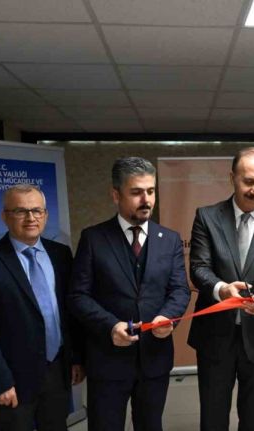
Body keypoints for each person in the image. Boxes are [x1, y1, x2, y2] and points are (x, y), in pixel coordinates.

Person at [69, 157, 189, 431]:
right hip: (107, 360)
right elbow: (78, 296)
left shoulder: (169, 239)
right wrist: (110, 326)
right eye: (136, 192)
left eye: (151, 191)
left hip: (154, 359)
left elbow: (179, 289)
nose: (146, 200)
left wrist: (168, 317)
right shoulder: (93, 239)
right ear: (116, 195)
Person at [187, 147, 254, 431]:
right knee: (213, 417)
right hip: (215, 336)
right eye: (249, 181)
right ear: (232, 178)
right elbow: (199, 267)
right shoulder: (207, 217)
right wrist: (222, 289)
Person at [0, 184, 85, 430]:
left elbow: (70, 312)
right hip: (12, 377)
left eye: (37, 210)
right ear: (5, 216)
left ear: (46, 215)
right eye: (21, 211)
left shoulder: (61, 254)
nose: (31, 218)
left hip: (57, 371)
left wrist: (76, 358)